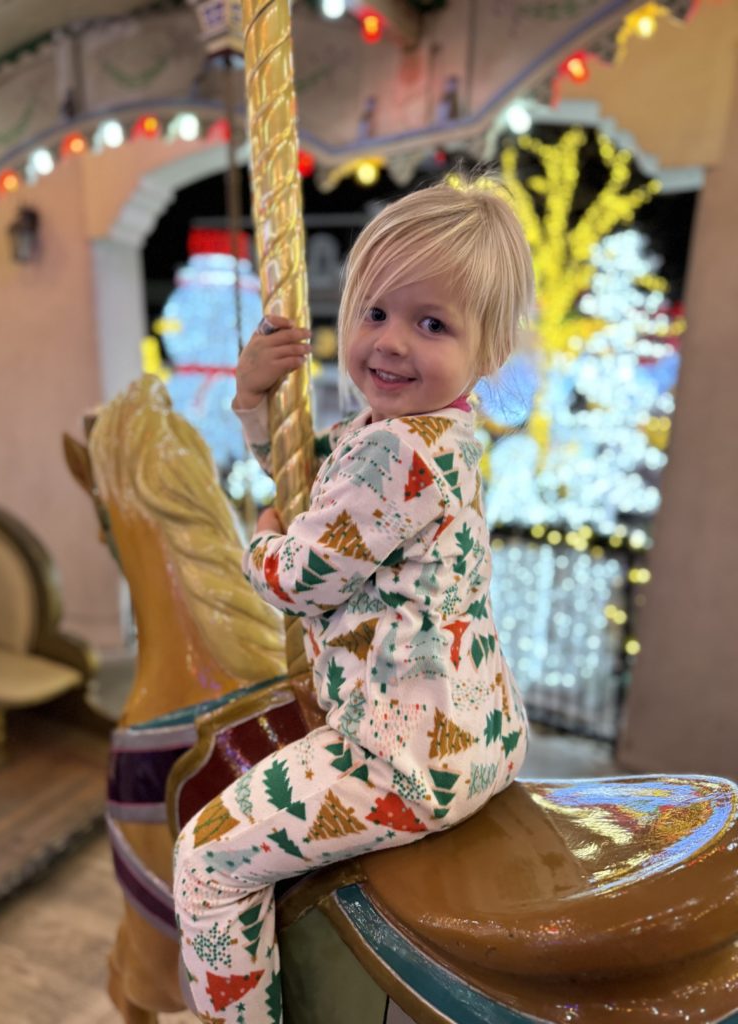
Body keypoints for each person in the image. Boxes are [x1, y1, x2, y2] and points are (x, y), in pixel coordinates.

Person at [173, 173, 535, 1022]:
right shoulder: (426, 436)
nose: (390, 342)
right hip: (480, 734)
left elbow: (296, 579)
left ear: (488, 352)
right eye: (375, 312)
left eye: (431, 323)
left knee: (208, 860)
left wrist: (257, 535)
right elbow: (312, 487)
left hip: (398, 754)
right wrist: (253, 399)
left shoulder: (393, 452)